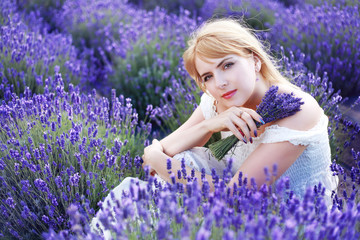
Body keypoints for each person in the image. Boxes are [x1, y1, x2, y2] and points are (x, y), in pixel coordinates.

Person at [91, 18, 338, 236]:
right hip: (239, 206)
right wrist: (210, 124)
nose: (219, 83)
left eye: (227, 65)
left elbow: (233, 198)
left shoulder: (295, 109)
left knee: (176, 177)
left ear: (254, 60)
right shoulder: (221, 100)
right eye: (207, 76)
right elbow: (157, 156)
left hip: (290, 221)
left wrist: (158, 160)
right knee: (183, 164)